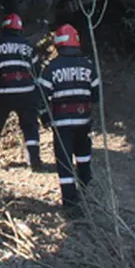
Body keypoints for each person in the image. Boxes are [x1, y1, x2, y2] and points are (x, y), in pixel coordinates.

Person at [35, 23, 101, 212]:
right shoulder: (88, 65)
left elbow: (40, 96)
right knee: (83, 155)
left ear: (58, 44)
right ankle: (86, 185)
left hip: (61, 122)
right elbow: (96, 95)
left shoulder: (51, 68)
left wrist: (45, 118)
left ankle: (70, 203)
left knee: (64, 162)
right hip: (83, 121)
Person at [0, 13, 44, 170]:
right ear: (20, 29)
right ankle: (34, 161)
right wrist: (38, 96)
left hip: (4, 92)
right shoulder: (29, 46)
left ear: (5, 29)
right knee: (30, 126)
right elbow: (37, 74)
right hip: (27, 92)